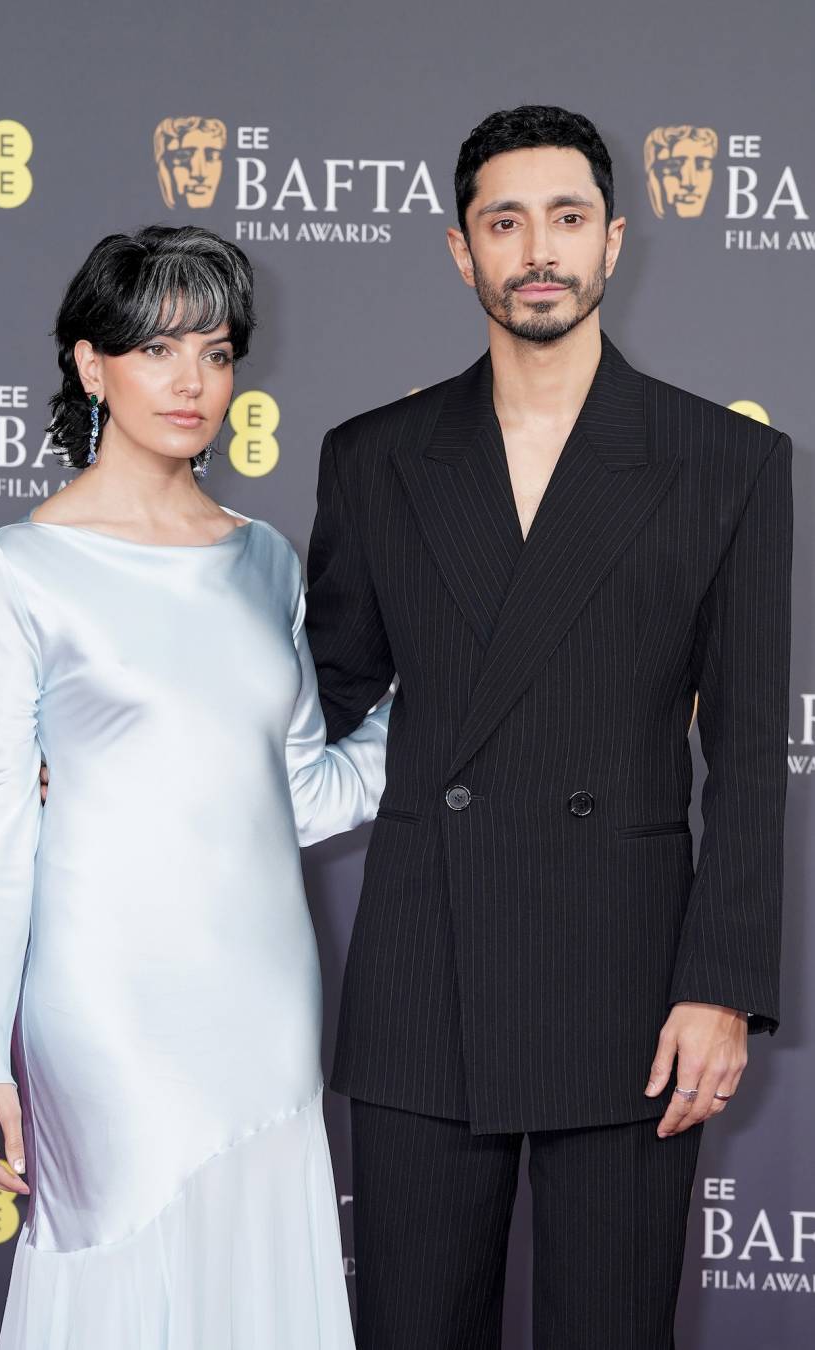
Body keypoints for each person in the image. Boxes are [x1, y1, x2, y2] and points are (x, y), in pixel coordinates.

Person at [303, 106, 793, 1349]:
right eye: (504, 220)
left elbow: (745, 755)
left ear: (614, 241)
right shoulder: (374, 458)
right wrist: (112, 750)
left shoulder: (726, 462)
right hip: (427, 980)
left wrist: (722, 987)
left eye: (567, 218)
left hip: (631, 991)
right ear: (458, 251)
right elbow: (322, 696)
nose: (538, 249)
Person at [0, 224, 389, 1350]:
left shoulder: (265, 558)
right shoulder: (23, 569)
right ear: (91, 364)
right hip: (105, 1001)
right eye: (157, 349)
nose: (193, 381)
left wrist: (437, 710)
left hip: (266, 998)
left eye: (219, 349)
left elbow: (300, 794)